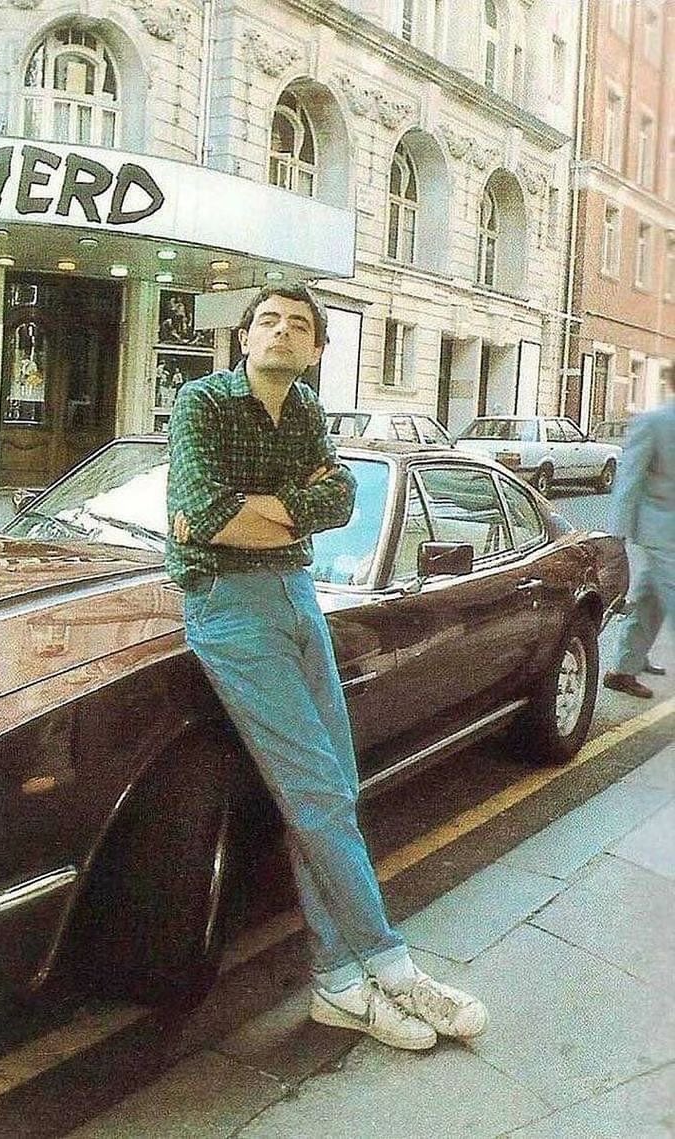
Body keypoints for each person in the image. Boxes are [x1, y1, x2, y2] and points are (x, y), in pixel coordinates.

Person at [166, 283, 487, 1051]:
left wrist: (262, 510)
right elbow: (199, 516)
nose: (282, 332)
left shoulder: (307, 411)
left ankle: (338, 984)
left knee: (332, 790)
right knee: (316, 791)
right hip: (228, 606)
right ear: (244, 339)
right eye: (268, 321)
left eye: (298, 325)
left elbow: (341, 499)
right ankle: (390, 963)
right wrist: (285, 505)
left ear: (314, 350)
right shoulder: (202, 403)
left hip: (296, 594)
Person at [603, 370, 675, 699]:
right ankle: (625, 666)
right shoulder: (654, 422)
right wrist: (616, 536)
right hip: (662, 531)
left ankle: (623, 668)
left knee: (651, 601)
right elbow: (629, 477)